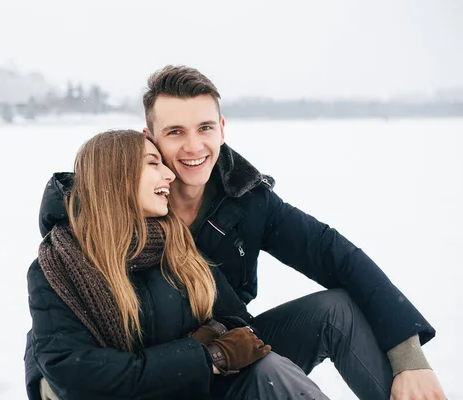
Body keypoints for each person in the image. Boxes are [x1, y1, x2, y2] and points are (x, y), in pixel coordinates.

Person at [32, 66, 446, 400]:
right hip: (143, 372)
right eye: (175, 132)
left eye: (205, 128)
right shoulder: (79, 240)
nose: (194, 147)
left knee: (332, 312)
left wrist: (409, 358)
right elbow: (67, 356)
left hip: (222, 354)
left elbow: (336, 256)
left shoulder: (244, 202)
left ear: (222, 128)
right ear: (150, 137)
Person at [26, 130, 331, 400]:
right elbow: (75, 375)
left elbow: (237, 320)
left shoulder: (177, 243)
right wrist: (203, 356)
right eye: (152, 163)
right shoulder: (59, 266)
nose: (169, 175)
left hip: (198, 389)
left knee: (272, 366)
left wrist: (215, 337)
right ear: (115, 176)